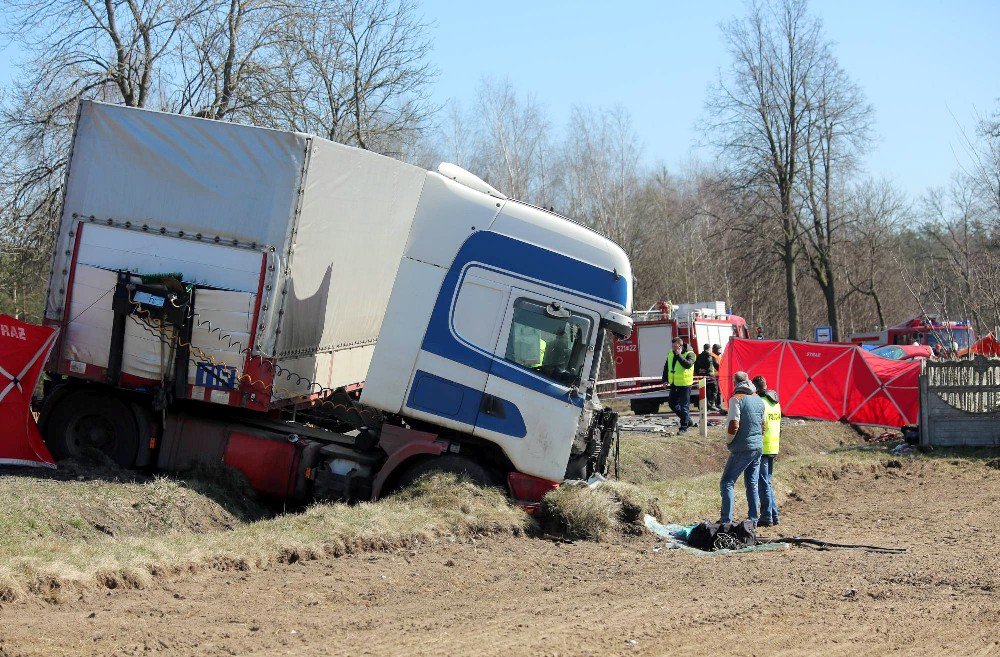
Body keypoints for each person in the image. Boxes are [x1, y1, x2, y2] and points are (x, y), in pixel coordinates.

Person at [719, 371, 765, 525]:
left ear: (735, 382)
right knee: (752, 483)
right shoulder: (758, 399)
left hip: (742, 447)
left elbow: (733, 425)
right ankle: (753, 518)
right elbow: (763, 425)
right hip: (758, 446)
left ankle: (726, 520)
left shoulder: (736, 399)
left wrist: (729, 442)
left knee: (727, 482)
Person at [753, 375, 781, 527]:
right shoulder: (775, 402)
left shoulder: (760, 403)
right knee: (767, 482)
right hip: (774, 445)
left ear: (755, 388)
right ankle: (774, 515)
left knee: (763, 483)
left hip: (763, 446)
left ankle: (767, 516)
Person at [663, 337, 695, 433]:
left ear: (680, 346)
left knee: (684, 406)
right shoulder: (670, 352)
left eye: (675, 346)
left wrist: (679, 355)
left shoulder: (690, 354)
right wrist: (665, 380)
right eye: (672, 346)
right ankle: (688, 420)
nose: (673, 348)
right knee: (672, 404)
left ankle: (683, 427)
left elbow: (687, 365)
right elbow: (666, 367)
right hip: (674, 384)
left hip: (685, 384)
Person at [694, 343, 720, 412]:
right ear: (709, 349)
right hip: (710, 376)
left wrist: (699, 371)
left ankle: (704, 406)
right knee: (715, 390)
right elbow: (712, 364)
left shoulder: (699, 356)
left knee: (705, 392)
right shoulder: (709, 355)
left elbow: (695, 366)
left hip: (702, 377)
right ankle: (711, 404)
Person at [710, 344, 723, 410]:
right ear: (714, 349)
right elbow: (716, 366)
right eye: (719, 349)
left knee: (718, 391)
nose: (720, 351)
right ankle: (717, 404)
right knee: (717, 391)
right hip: (715, 376)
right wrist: (724, 369)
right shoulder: (713, 356)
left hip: (718, 376)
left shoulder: (717, 356)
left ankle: (717, 404)